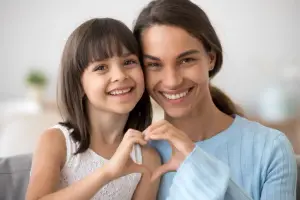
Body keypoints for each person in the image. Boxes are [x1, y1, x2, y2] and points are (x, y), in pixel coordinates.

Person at [133, 0, 297, 199]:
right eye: (154, 65)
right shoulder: (139, 157)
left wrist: (197, 163)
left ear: (210, 58)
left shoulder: (270, 148)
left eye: (186, 60)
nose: (172, 81)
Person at [26, 18, 160, 200]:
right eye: (101, 67)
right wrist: (107, 172)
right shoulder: (56, 141)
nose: (120, 75)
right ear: (78, 84)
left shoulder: (148, 158)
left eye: (129, 62)